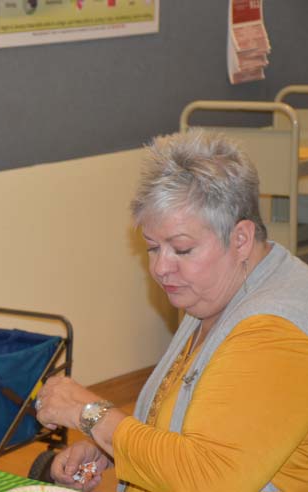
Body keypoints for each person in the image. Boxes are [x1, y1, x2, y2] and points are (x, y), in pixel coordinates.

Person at [35, 130, 308, 491]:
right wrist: (113, 448)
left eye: (181, 249)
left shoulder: (273, 332)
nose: (162, 268)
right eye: (152, 248)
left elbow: (211, 479)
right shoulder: (214, 292)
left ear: (240, 239)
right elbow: (194, 426)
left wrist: (92, 415)